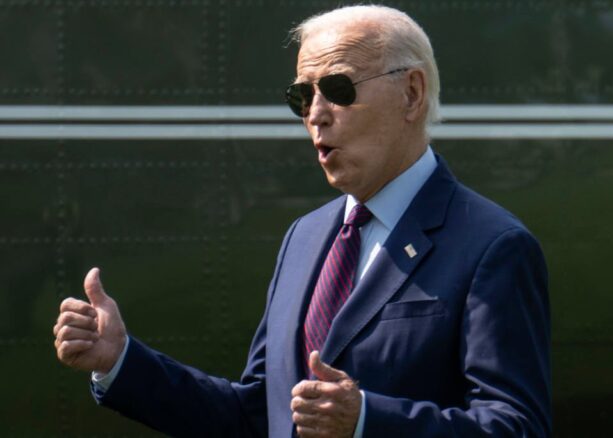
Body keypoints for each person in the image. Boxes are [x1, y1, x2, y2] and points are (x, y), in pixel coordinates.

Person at [52, 5, 551, 437]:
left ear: (412, 94)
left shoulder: (493, 245)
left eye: (336, 88)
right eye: (301, 97)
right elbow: (257, 416)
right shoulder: (305, 237)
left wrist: (366, 422)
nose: (315, 113)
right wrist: (119, 361)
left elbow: (516, 425)